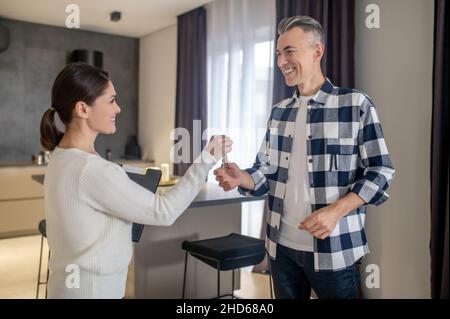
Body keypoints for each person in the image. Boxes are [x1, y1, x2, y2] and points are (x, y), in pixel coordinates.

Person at [214, 16, 395, 299]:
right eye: (278, 53)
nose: (281, 61)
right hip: (281, 250)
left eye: (289, 51)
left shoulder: (355, 104)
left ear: (317, 52)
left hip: (334, 250)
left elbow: (381, 170)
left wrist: (336, 211)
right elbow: (266, 171)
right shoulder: (279, 112)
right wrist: (244, 178)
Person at [39, 62, 232, 298]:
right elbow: (164, 211)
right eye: (111, 100)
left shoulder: (60, 158)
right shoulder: (92, 169)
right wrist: (207, 157)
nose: (118, 109)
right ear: (83, 109)